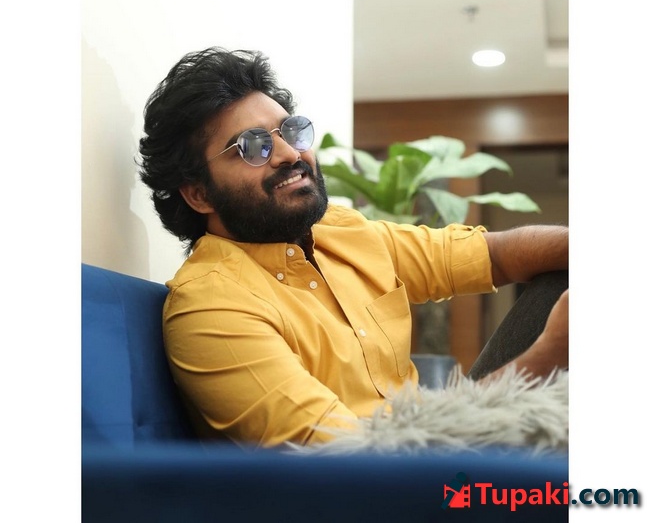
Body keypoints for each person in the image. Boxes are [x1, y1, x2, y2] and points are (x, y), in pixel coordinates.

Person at [138, 46, 569, 449]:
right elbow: (349, 458)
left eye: (290, 131)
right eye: (253, 146)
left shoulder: (340, 231)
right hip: (379, 487)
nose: (289, 154)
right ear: (199, 195)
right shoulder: (211, 305)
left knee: (562, 271)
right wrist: (546, 358)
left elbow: (494, 255)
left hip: (433, 450)